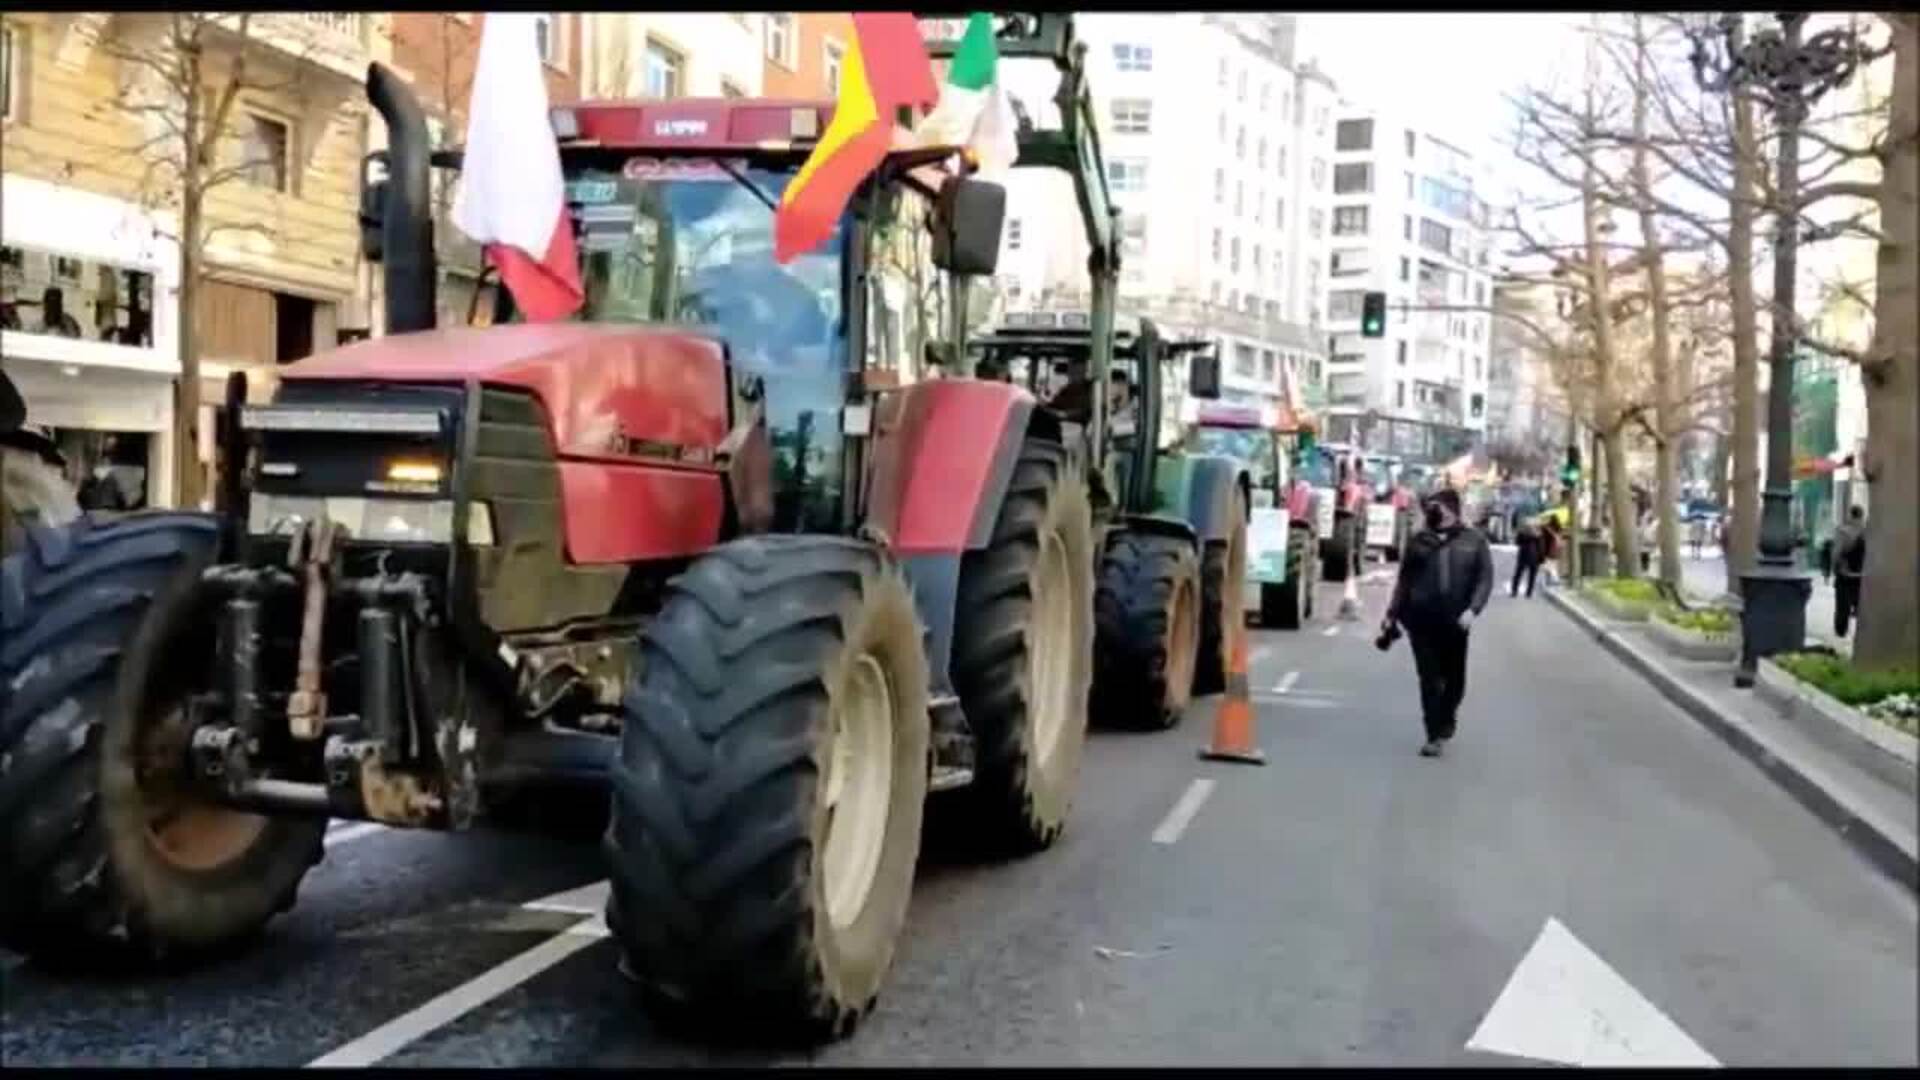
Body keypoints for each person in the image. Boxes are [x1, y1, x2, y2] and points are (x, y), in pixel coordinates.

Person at [1382, 488, 1494, 758]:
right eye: (1429, 506)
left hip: (1457, 621)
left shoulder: (1473, 540)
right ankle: (1433, 735)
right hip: (1420, 620)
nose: (1432, 511)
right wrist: (1391, 615)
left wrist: (1473, 610)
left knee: (1455, 680)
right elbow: (1404, 581)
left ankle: (1447, 715)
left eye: (1437, 506)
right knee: (1429, 679)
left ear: (1451, 509)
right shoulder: (1419, 540)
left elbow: (1484, 579)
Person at [1829, 505, 1867, 638]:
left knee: (1842, 606)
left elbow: (1836, 554)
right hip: (1862, 575)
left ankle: (1841, 631)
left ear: (1850, 514)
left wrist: (1834, 569)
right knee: (1861, 605)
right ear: (1862, 515)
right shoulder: (1867, 531)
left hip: (1845, 574)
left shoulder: (1843, 531)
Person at [1511, 517, 1543, 598]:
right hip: (1534, 556)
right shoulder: (1538, 534)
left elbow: (1517, 542)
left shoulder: (1522, 533)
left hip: (1523, 555)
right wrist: (1541, 557)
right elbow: (1541, 547)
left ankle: (1514, 591)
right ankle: (1529, 593)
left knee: (1518, 574)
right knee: (1532, 576)